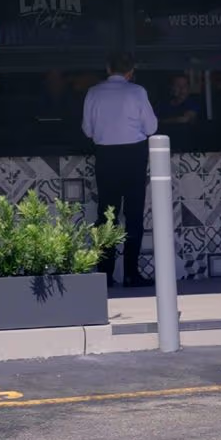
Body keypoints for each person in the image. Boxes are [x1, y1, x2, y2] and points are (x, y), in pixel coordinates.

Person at [82, 52, 158, 288]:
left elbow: (87, 130)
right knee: (134, 215)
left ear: (108, 68)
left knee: (107, 214)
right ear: (130, 71)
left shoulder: (93, 93)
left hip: (106, 156)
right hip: (134, 155)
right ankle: (131, 273)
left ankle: (105, 274)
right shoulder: (137, 92)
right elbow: (151, 128)